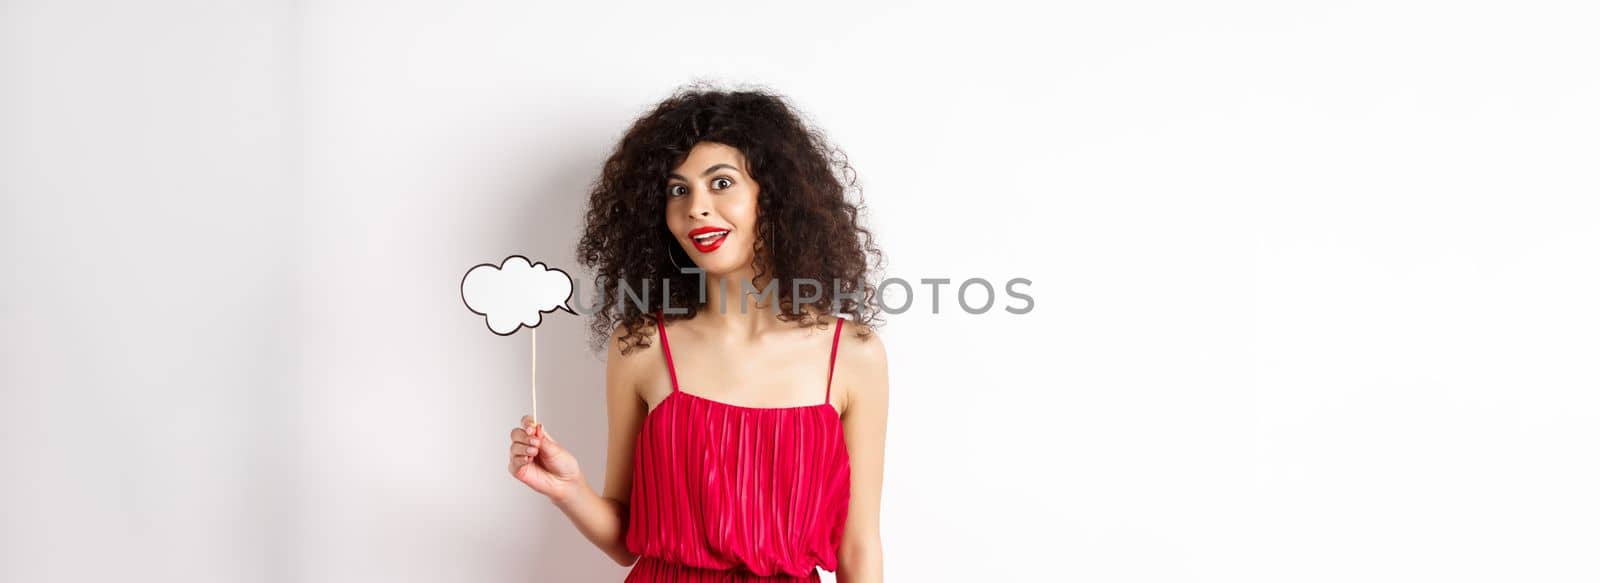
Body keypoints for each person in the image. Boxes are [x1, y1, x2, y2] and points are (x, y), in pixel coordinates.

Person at [506, 85, 889, 582]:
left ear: (773, 196)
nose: (696, 208)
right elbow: (627, 542)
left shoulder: (853, 354)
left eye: (721, 183)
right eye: (678, 190)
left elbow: (858, 550)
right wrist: (569, 488)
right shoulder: (641, 346)